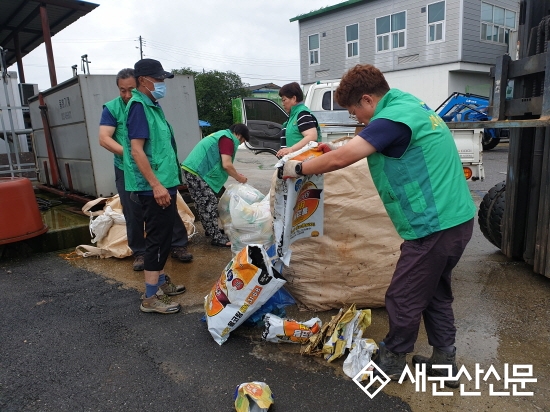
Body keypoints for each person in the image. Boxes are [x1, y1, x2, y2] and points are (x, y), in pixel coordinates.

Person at [282, 64, 476, 388]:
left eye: (355, 110)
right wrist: (332, 148)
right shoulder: (408, 106)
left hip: (433, 227)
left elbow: (341, 160)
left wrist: (298, 166)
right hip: (456, 220)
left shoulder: (392, 119)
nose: (357, 118)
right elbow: (365, 147)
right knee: (434, 294)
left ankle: (393, 359)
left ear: (368, 100)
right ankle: (445, 363)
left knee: (402, 296)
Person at [99, 68, 193, 272]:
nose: (126, 95)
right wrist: (133, 156)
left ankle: (176, 244)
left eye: (130, 89)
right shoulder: (114, 108)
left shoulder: (150, 105)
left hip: (152, 168)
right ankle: (141, 253)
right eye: (122, 90)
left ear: (139, 85)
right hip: (128, 169)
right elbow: (104, 138)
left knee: (166, 206)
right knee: (133, 211)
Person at [123, 58, 187, 314]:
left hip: (164, 183)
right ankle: (150, 297)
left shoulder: (152, 105)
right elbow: (137, 150)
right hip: (154, 187)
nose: (161, 84)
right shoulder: (139, 106)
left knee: (163, 239)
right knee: (158, 240)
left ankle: (159, 282)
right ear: (143, 81)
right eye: (158, 79)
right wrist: (156, 185)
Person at [181, 124, 250, 247]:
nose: (239, 144)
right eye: (242, 141)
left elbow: (223, 163)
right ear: (238, 135)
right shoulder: (228, 139)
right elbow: (226, 164)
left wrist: (236, 173)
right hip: (197, 172)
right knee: (209, 203)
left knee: (204, 203)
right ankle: (216, 237)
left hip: (194, 170)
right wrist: (239, 178)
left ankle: (211, 230)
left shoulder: (222, 135)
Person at [275, 82, 321, 158]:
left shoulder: (302, 115)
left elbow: (312, 136)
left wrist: (291, 149)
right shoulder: (293, 115)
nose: (282, 103)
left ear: (294, 99)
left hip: (304, 162)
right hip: (295, 161)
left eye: (284, 100)